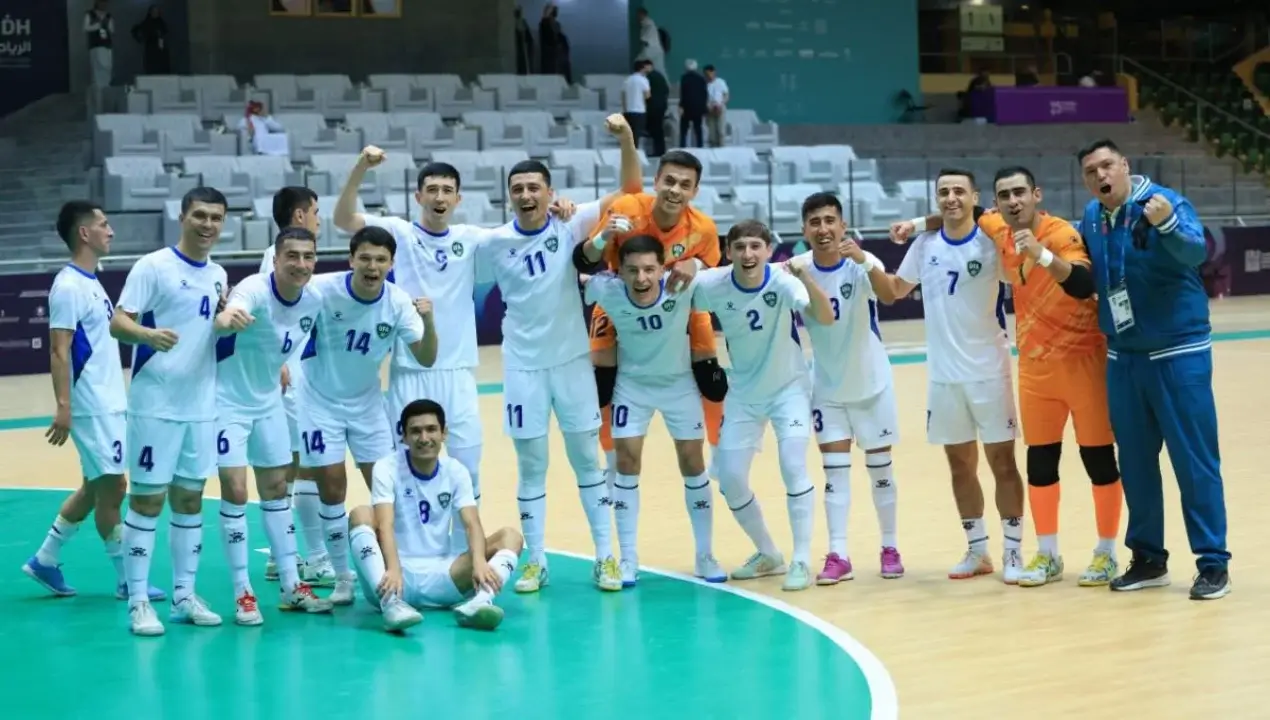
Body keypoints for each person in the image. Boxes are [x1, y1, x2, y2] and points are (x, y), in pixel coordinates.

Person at [333, 150, 578, 556]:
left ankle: (467, 557)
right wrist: (360, 167)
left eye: (448, 190)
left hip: (460, 372)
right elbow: (344, 220)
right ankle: (410, 553)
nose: (440, 196)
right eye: (432, 190)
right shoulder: (399, 232)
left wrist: (560, 210)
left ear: (459, 199)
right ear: (419, 196)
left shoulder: (473, 238)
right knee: (406, 469)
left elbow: (522, 229)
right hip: (411, 371)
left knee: (466, 469)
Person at [892, 166, 1123, 588]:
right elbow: (960, 211)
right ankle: (1048, 554)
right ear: (995, 204)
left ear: (1036, 194)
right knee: (1040, 464)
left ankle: (1106, 552)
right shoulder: (995, 227)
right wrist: (917, 223)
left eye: (1020, 193)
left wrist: (1041, 253)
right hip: (1035, 369)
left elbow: (1084, 281)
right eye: (1005, 196)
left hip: (1082, 363)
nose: (1013, 202)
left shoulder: (1059, 234)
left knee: (1098, 461)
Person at [1075, 139, 1230, 600]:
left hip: (1178, 354)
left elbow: (1193, 253)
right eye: (1090, 171)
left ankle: (1212, 562)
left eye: (1107, 166)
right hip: (1123, 356)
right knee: (1136, 464)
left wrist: (1165, 225)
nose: (1101, 176)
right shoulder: (1090, 215)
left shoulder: (1164, 203)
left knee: (1194, 461)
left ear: (1125, 165)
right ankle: (1148, 558)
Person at [482, 149, 635, 594]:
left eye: (534, 188)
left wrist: (625, 136)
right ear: (508, 197)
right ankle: (537, 560)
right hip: (523, 368)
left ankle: (606, 557)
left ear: (550, 194)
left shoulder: (573, 224)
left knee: (587, 460)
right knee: (531, 465)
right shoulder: (492, 243)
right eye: (517, 189)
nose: (525, 195)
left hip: (571, 363)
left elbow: (628, 190)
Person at [871, 169, 1027, 584]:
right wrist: (861, 261)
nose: (951, 198)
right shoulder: (925, 244)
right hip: (943, 377)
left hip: (989, 372)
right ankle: (978, 551)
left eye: (960, 191)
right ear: (935, 198)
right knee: (959, 465)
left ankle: (1014, 552)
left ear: (975, 196)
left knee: (1003, 463)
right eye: (944, 192)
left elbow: (1022, 272)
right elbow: (894, 291)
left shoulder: (991, 241)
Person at [21, 202, 164, 604]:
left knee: (95, 485)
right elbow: (58, 350)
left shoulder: (91, 281)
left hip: (107, 401)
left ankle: (45, 558)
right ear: (84, 233)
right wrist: (63, 406)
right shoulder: (68, 287)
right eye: (103, 225)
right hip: (92, 404)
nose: (110, 231)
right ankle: (126, 581)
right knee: (114, 486)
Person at [110, 187, 231, 636]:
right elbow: (117, 322)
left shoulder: (219, 274)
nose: (208, 224)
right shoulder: (154, 265)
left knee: (189, 499)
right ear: (182, 217)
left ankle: (183, 596)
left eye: (216, 218)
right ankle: (139, 601)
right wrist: (146, 335)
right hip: (155, 404)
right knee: (146, 501)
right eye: (200, 215)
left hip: (200, 405)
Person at [296, 226, 439, 606]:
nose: (372, 266)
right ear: (351, 259)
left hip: (368, 404)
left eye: (381, 259)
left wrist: (431, 320)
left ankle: (398, 565)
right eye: (365, 258)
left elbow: (426, 357)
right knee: (331, 484)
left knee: (385, 486)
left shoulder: (397, 302)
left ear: (391, 264)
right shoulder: (322, 289)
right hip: (318, 400)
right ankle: (343, 576)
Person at [690, 219, 835, 591]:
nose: (748, 254)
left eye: (756, 246)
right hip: (743, 395)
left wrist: (804, 276)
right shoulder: (713, 284)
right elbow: (675, 294)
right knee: (731, 479)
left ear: (769, 251)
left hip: (789, 389)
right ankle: (769, 553)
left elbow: (824, 315)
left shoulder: (784, 280)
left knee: (792, 465)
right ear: (728, 252)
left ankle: (801, 558)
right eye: (740, 247)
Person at [579, 235, 725, 586]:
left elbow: (733, 271)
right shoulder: (607, 290)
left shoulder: (683, 287)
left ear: (663, 268)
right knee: (626, 463)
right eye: (632, 271)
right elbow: (571, 278)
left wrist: (698, 263)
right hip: (633, 387)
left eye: (649, 269)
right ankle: (628, 558)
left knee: (693, 463)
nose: (641, 278)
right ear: (620, 272)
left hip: (679, 386)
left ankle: (705, 554)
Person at [578, 144, 724, 492]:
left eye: (684, 184)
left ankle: (720, 451)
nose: (675, 190)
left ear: (695, 191)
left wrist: (697, 263)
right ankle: (612, 461)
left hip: (677, 305)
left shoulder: (702, 228)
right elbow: (587, 258)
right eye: (669, 181)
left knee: (709, 373)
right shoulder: (627, 208)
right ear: (655, 181)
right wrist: (603, 237)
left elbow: (718, 270)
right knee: (601, 380)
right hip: (621, 299)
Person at [211, 227, 333, 624]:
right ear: (276, 259)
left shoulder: (312, 299)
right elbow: (232, 311)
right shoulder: (255, 289)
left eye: (308, 257)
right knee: (235, 488)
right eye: (292, 256)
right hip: (226, 402)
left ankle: (290, 583)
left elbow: (285, 343)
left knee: (278, 488)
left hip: (268, 402)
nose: (301, 264)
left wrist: (279, 363)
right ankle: (243, 592)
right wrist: (227, 316)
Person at [795, 193, 904, 584]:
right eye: (814, 222)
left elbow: (891, 295)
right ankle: (838, 553)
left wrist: (865, 261)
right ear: (805, 230)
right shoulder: (798, 269)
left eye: (830, 220)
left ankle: (890, 547)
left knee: (880, 471)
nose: (823, 229)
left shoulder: (862, 263)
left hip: (872, 384)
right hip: (827, 388)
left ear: (842, 225)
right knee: (834, 475)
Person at [349, 400, 525, 633]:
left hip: (445, 577)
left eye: (431, 429)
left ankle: (480, 602)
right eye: (415, 431)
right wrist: (393, 569)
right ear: (403, 436)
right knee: (360, 513)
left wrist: (480, 563)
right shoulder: (386, 467)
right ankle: (390, 605)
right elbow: (385, 524)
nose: (424, 438)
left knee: (510, 537)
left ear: (444, 433)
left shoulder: (456, 471)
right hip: (394, 579)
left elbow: (472, 524)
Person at [258, 186, 332, 587]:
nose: (319, 219)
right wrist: (280, 364)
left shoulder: (286, 254)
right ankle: (317, 557)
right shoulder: (280, 257)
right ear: (300, 215)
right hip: (293, 376)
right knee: (305, 465)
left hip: (296, 373)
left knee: (292, 465)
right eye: (316, 212)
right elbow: (266, 311)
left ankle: (277, 554)